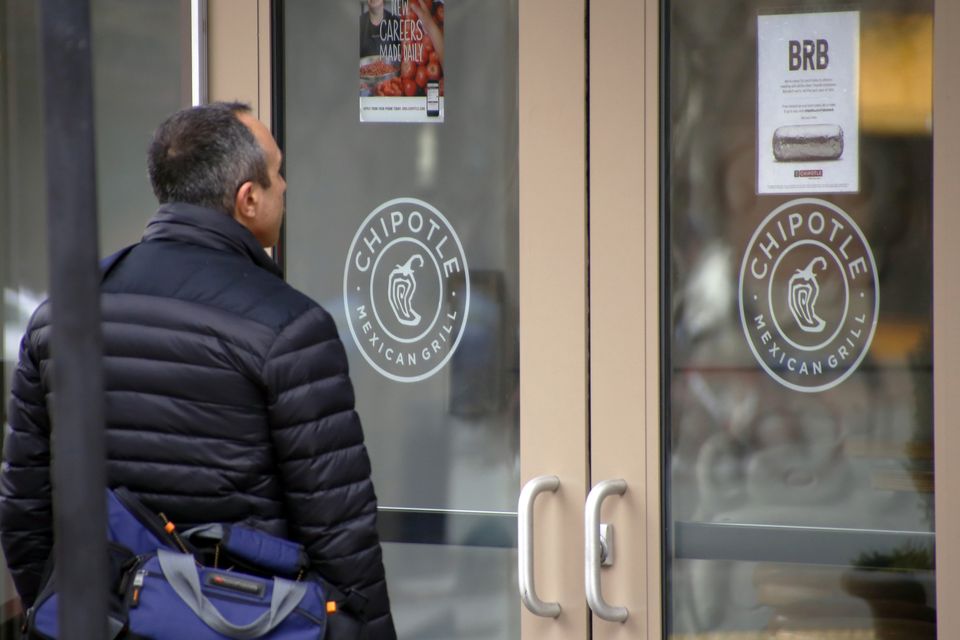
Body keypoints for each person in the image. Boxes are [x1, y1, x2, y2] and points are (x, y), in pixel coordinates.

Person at [0, 102, 397, 639]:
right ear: (248, 199)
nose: (285, 187)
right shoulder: (291, 328)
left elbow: (25, 511)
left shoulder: (63, 314)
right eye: (278, 172)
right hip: (248, 624)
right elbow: (339, 533)